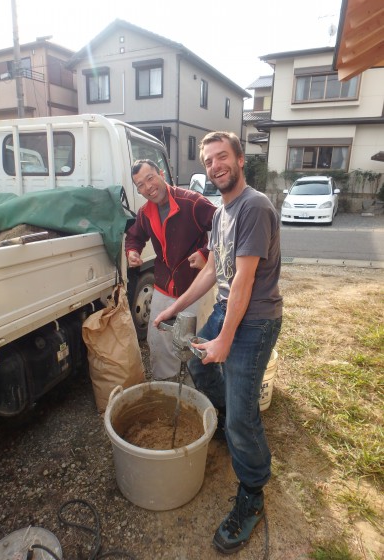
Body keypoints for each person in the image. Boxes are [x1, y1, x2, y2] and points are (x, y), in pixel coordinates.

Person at [154, 132, 283, 554]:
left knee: (242, 413)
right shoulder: (221, 214)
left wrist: (225, 339)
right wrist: (174, 308)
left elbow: (244, 281)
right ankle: (233, 428)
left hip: (254, 320)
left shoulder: (255, 207)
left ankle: (253, 492)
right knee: (198, 365)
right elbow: (212, 272)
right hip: (227, 311)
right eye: (208, 161)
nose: (215, 166)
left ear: (240, 160)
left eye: (222, 157)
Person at [125, 159, 216, 381]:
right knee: (158, 335)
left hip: (195, 285)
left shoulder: (192, 202)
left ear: (162, 174)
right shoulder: (145, 212)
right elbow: (135, 236)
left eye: (150, 178)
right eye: (140, 185)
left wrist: (206, 253)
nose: (148, 187)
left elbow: (224, 227)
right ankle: (164, 383)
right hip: (164, 284)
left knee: (195, 339)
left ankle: (197, 385)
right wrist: (132, 251)